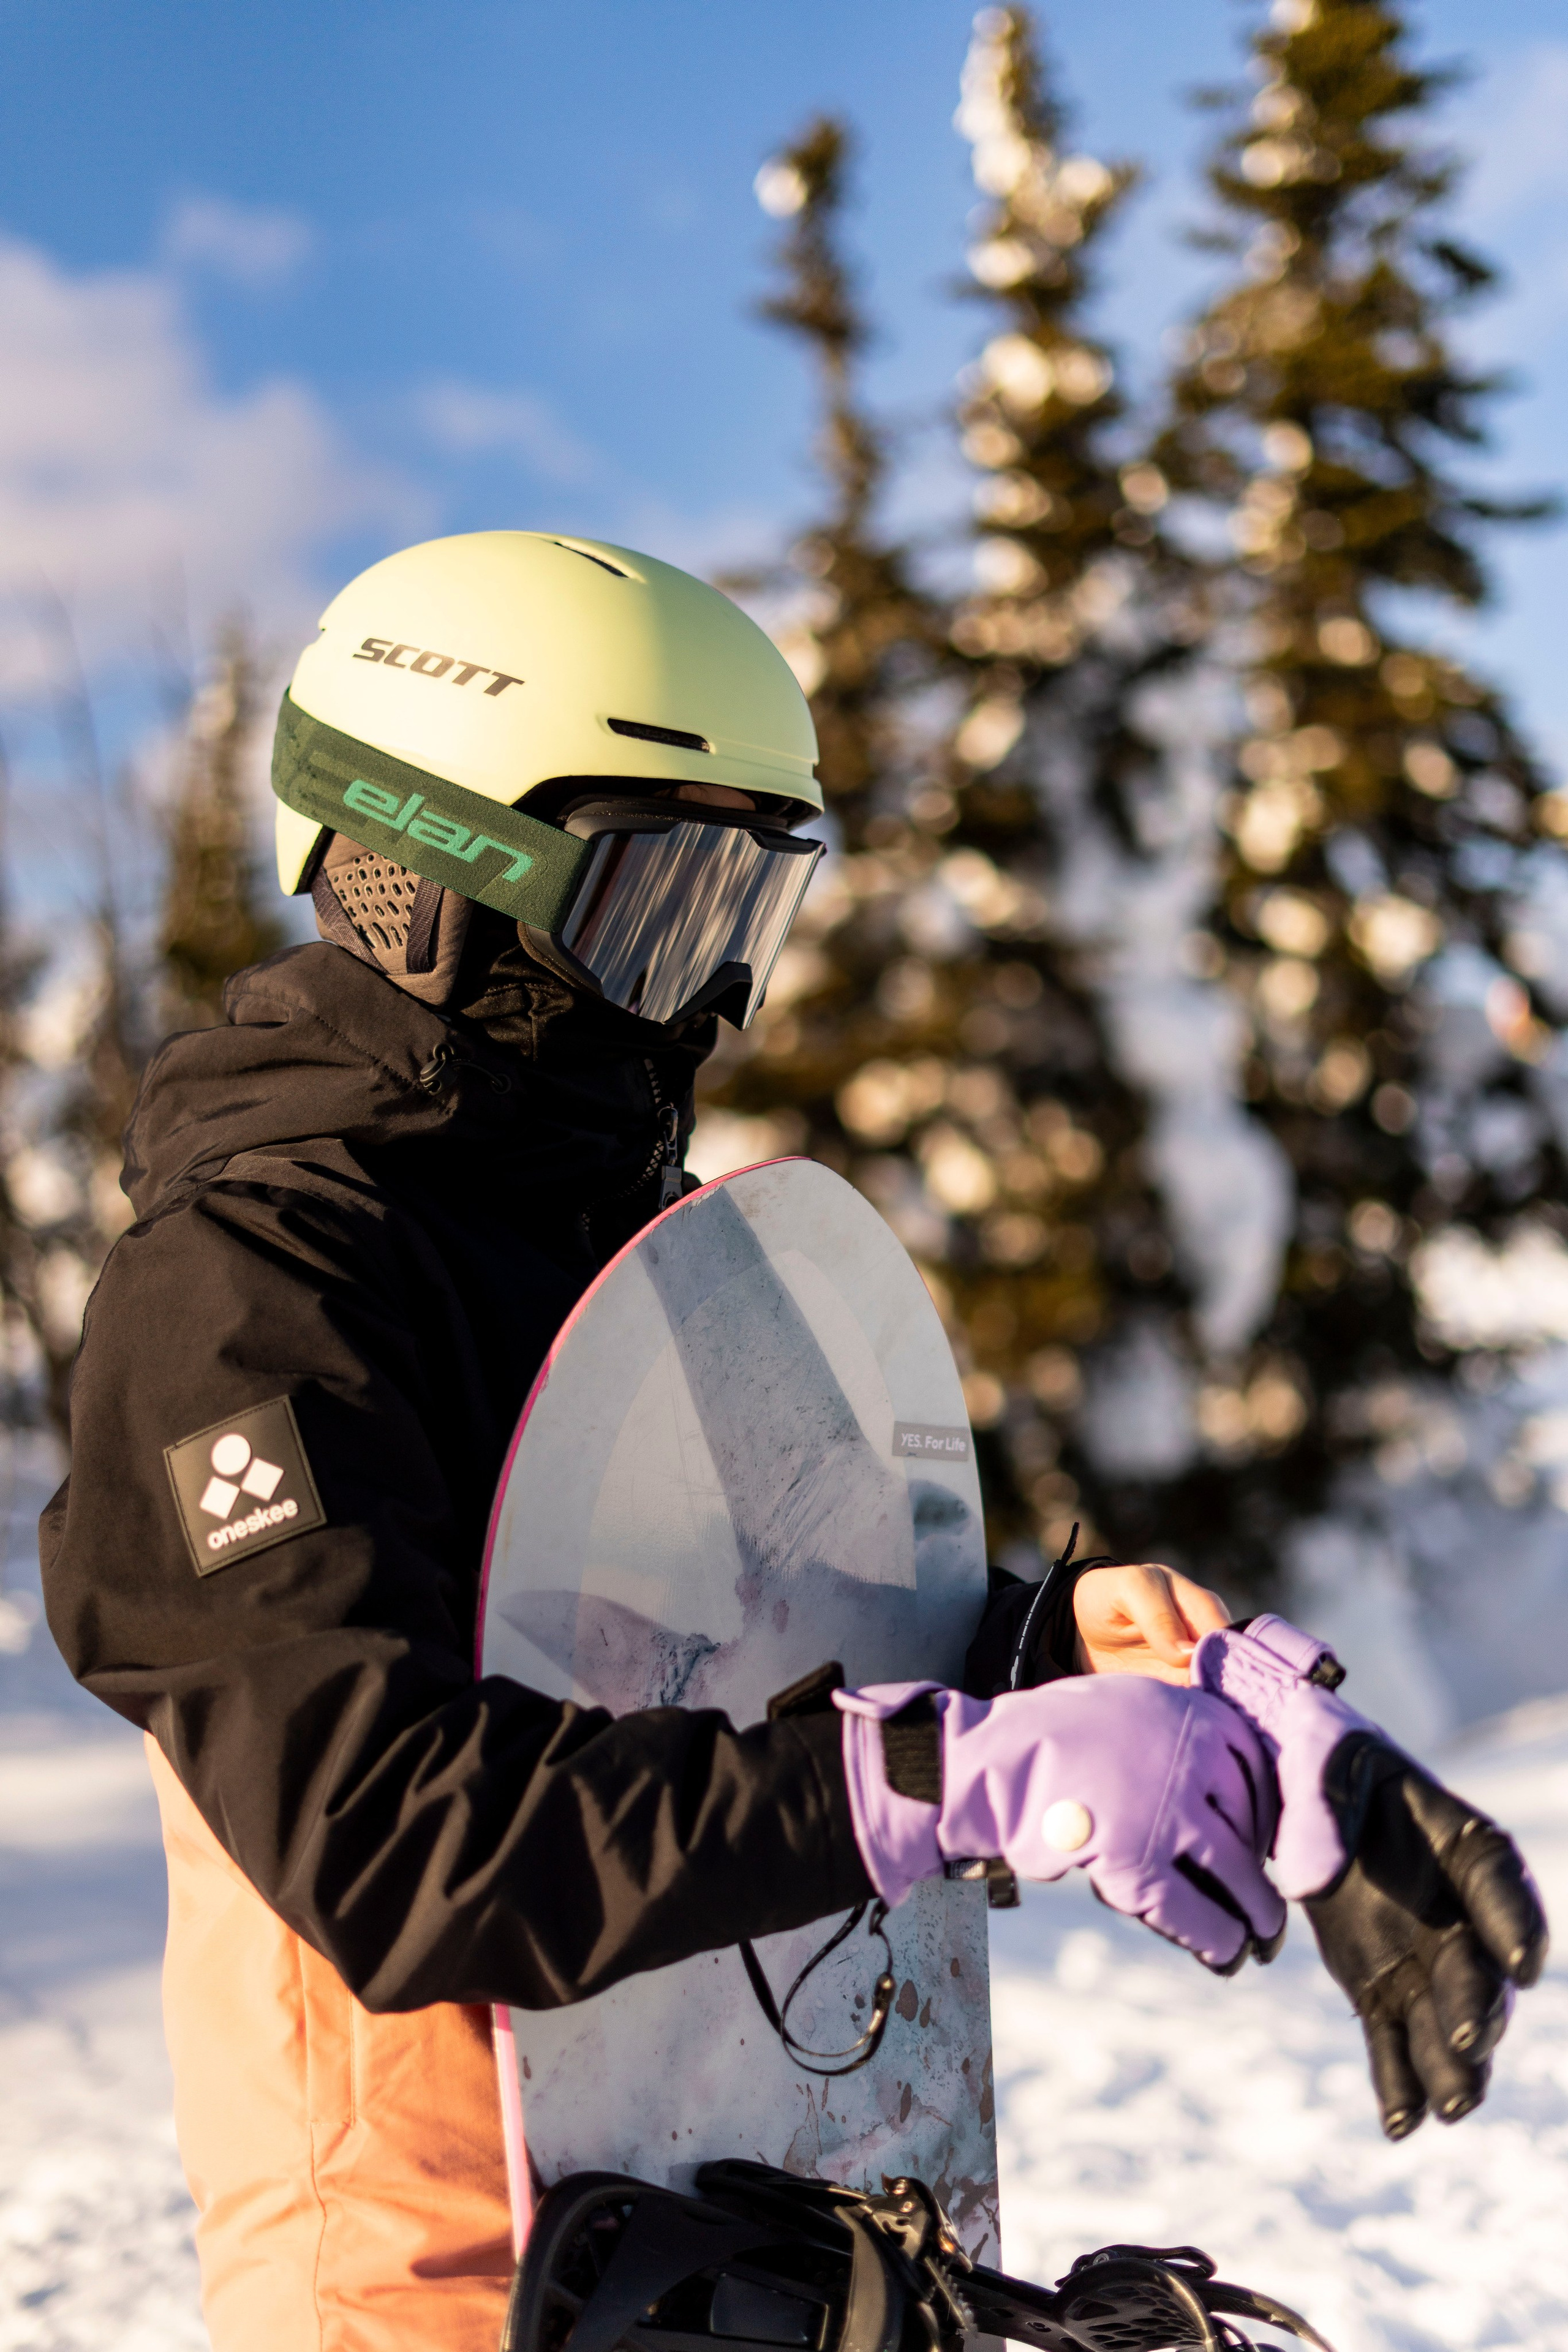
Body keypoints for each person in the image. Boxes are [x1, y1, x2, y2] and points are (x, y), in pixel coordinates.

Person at [40, 533, 1545, 2352]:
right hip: (433, 2277)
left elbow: (731, 1653)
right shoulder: (248, 1285)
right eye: (658, 903)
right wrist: (953, 1778)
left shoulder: (614, 1248)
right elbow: (394, 1834)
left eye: (744, 907)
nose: (705, 994)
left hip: (731, 2242)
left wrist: (1085, 1662)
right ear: (426, 871)